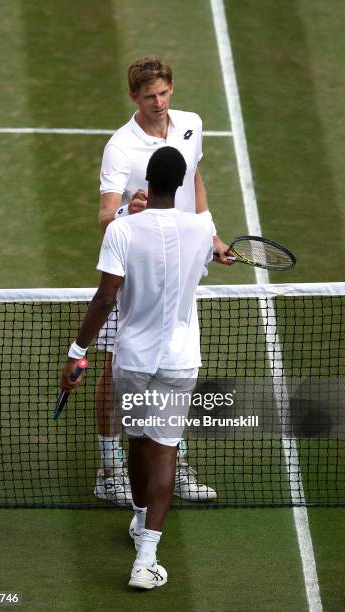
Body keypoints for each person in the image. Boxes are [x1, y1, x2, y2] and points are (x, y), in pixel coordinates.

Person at [60, 146, 215, 588]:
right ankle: (146, 557)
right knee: (165, 450)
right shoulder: (202, 230)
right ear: (182, 183)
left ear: (147, 181)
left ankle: (139, 516)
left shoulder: (123, 231)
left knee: (138, 443)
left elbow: (106, 297)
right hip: (179, 359)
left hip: (132, 358)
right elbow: (203, 258)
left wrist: (77, 351)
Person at [94, 57, 232, 505]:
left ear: (172, 88)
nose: (158, 103)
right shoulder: (120, 147)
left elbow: (195, 182)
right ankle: (110, 469)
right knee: (117, 367)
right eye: (149, 96)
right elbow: (105, 215)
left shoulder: (191, 124)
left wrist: (210, 235)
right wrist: (127, 212)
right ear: (133, 96)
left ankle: (174, 457)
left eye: (164, 93)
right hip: (137, 263)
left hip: (184, 257)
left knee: (174, 356)